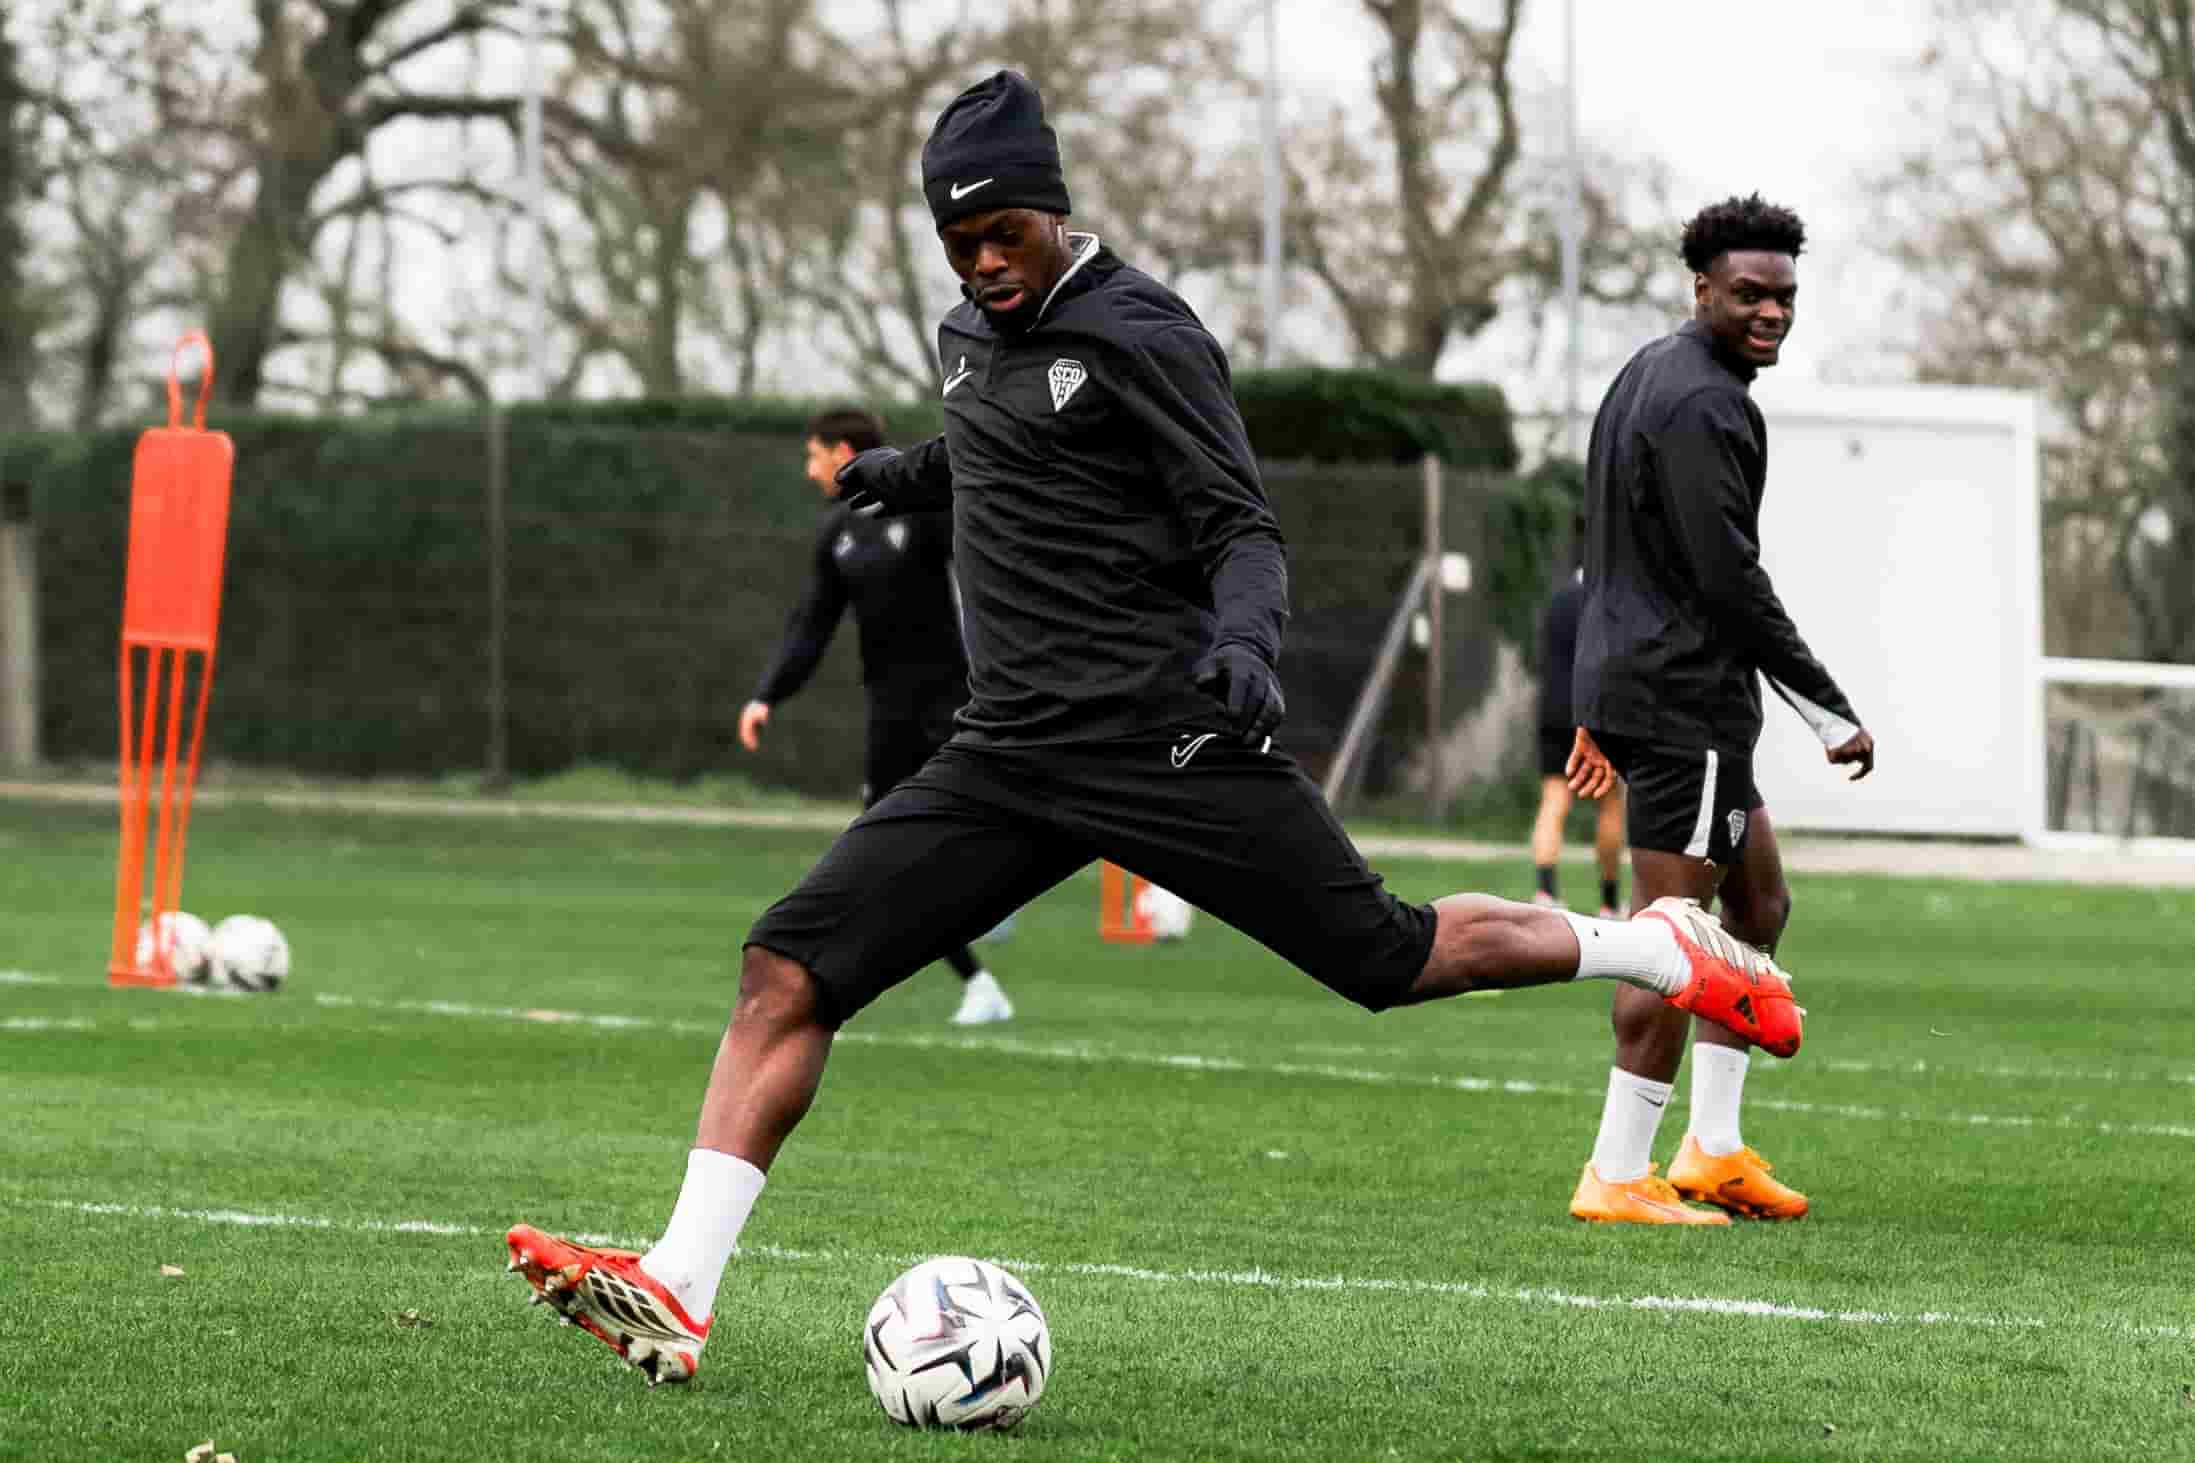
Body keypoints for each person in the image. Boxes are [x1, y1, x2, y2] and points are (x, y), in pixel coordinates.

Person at [502, 73, 1801, 1386]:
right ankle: (676, 1286)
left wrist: (1242, 642)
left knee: (1386, 956)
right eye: (958, 245)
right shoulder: (966, 334)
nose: (983, 263)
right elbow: (996, 439)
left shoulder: (1142, 329)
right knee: (785, 969)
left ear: (1051, 210)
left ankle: (1648, 942)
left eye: (1002, 232)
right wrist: (907, 466)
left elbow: (1236, 520)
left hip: (1159, 739)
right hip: (1003, 753)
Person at [1562, 194, 1874, 1227]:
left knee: (1757, 908)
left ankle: (1713, 1148)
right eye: (1748, 292)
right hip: (1683, 708)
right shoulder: (1702, 401)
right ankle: (1614, 1171)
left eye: (1784, 294)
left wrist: (1590, 689)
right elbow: (1726, 580)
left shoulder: (1650, 372)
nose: (1770, 311)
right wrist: (1826, 708)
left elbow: (1599, 538)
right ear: (1700, 286)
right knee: (1675, 938)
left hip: (1661, 697)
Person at [737, 406, 1013, 1027]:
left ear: (843, 453)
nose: (809, 470)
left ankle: (993, 907)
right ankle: (977, 978)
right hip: (889, 711)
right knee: (886, 853)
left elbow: (990, 581)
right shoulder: (837, 532)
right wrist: (767, 696)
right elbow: (810, 626)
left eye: (813, 456)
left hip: (957, 702)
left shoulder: (927, 512)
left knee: (967, 830)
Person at [1529, 519, 1626, 918]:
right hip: (1596, 715)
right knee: (1610, 805)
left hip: (1554, 712)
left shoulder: (1557, 602)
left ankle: (1547, 893)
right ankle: (1608, 900)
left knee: (1554, 801)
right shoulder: (1611, 605)